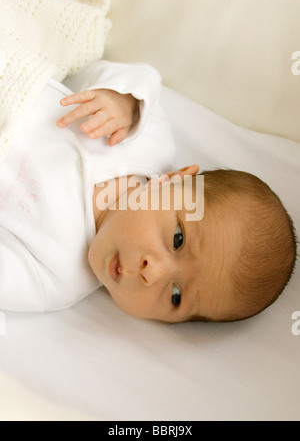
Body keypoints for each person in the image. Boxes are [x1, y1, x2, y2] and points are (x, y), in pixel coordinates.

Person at [0, 60, 297, 323]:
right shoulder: (147, 141)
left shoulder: (56, 281)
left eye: (176, 296)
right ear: (174, 179)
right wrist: (121, 99)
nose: (151, 273)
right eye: (178, 239)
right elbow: (142, 77)